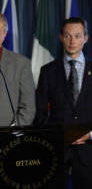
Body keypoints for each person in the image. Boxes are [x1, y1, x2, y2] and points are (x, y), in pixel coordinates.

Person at [34, 17, 92, 189]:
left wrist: (89, 135)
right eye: (67, 36)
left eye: (77, 36)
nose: (72, 41)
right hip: (57, 150)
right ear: (60, 37)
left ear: (85, 38)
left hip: (88, 152)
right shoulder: (48, 71)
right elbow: (40, 114)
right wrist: (60, 134)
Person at [0, 11, 35, 127]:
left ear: (4, 34)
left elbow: (28, 107)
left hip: (8, 135)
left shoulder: (21, 64)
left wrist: (12, 133)